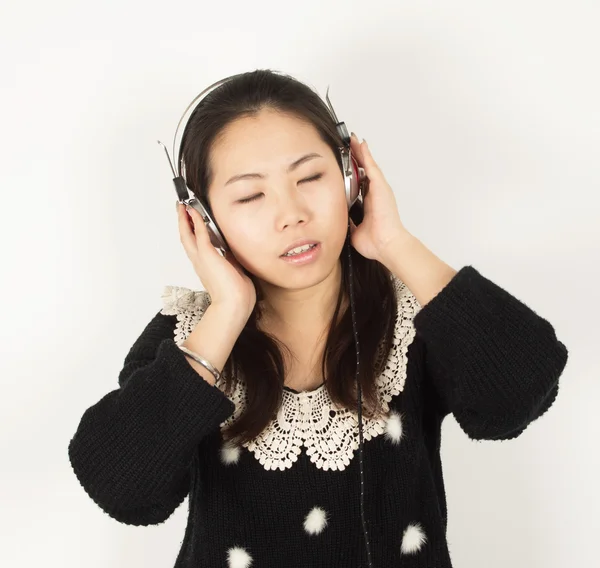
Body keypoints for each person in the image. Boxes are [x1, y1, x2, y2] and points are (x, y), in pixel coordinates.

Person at [68, 69, 569, 568]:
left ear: (351, 175)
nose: (291, 214)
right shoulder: (190, 335)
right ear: (204, 219)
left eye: (310, 177)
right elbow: (123, 490)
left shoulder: (415, 314)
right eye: (250, 196)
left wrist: (394, 244)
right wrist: (226, 313)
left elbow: (520, 393)